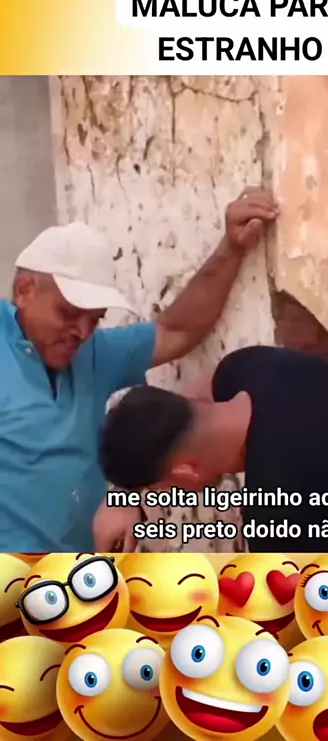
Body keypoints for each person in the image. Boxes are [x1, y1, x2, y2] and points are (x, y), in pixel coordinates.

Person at [0, 188, 277, 554]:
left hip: (78, 573)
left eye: (94, 319)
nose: (82, 332)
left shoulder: (93, 353)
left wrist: (232, 248)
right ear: (25, 290)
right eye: (69, 313)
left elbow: (177, 330)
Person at [100, 345, 328, 552]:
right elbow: (176, 412)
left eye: (162, 489)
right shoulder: (252, 368)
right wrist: (124, 497)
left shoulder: (278, 508)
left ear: (187, 471)